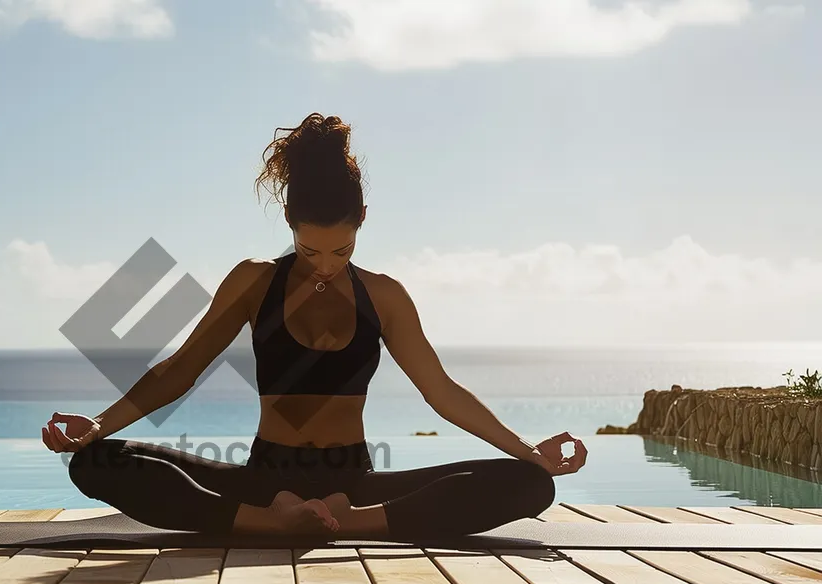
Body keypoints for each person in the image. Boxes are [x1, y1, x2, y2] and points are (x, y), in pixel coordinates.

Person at [40, 112, 587, 540]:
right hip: (263, 480)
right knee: (95, 463)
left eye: (341, 249)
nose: (325, 264)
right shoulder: (254, 282)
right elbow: (181, 370)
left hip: (353, 485)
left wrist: (527, 450)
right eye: (308, 249)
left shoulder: (385, 296)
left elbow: (440, 391)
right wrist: (98, 426)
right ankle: (269, 519)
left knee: (530, 484)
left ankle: (346, 521)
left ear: (362, 220)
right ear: (289, 224)